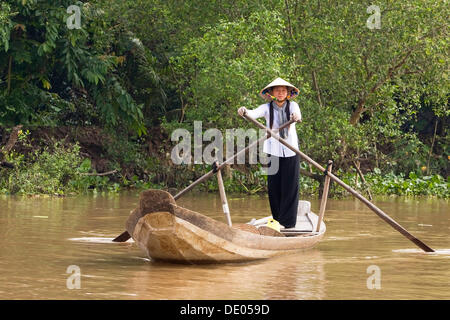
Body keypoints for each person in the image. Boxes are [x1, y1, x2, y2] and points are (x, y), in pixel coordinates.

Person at [238, 78, 301, 229]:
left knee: (290, 186)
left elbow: (297, 115)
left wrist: (296, 118)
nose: (280, 93)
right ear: (271, 93)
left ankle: (288, 223)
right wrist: (244, 111)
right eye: (277, 90)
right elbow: (253, 113)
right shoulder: (267, 108)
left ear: (288, 93)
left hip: (291, 151)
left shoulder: (293, 105)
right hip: (272, 151)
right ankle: (277, 221)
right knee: (274, 187)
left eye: (283, 91)